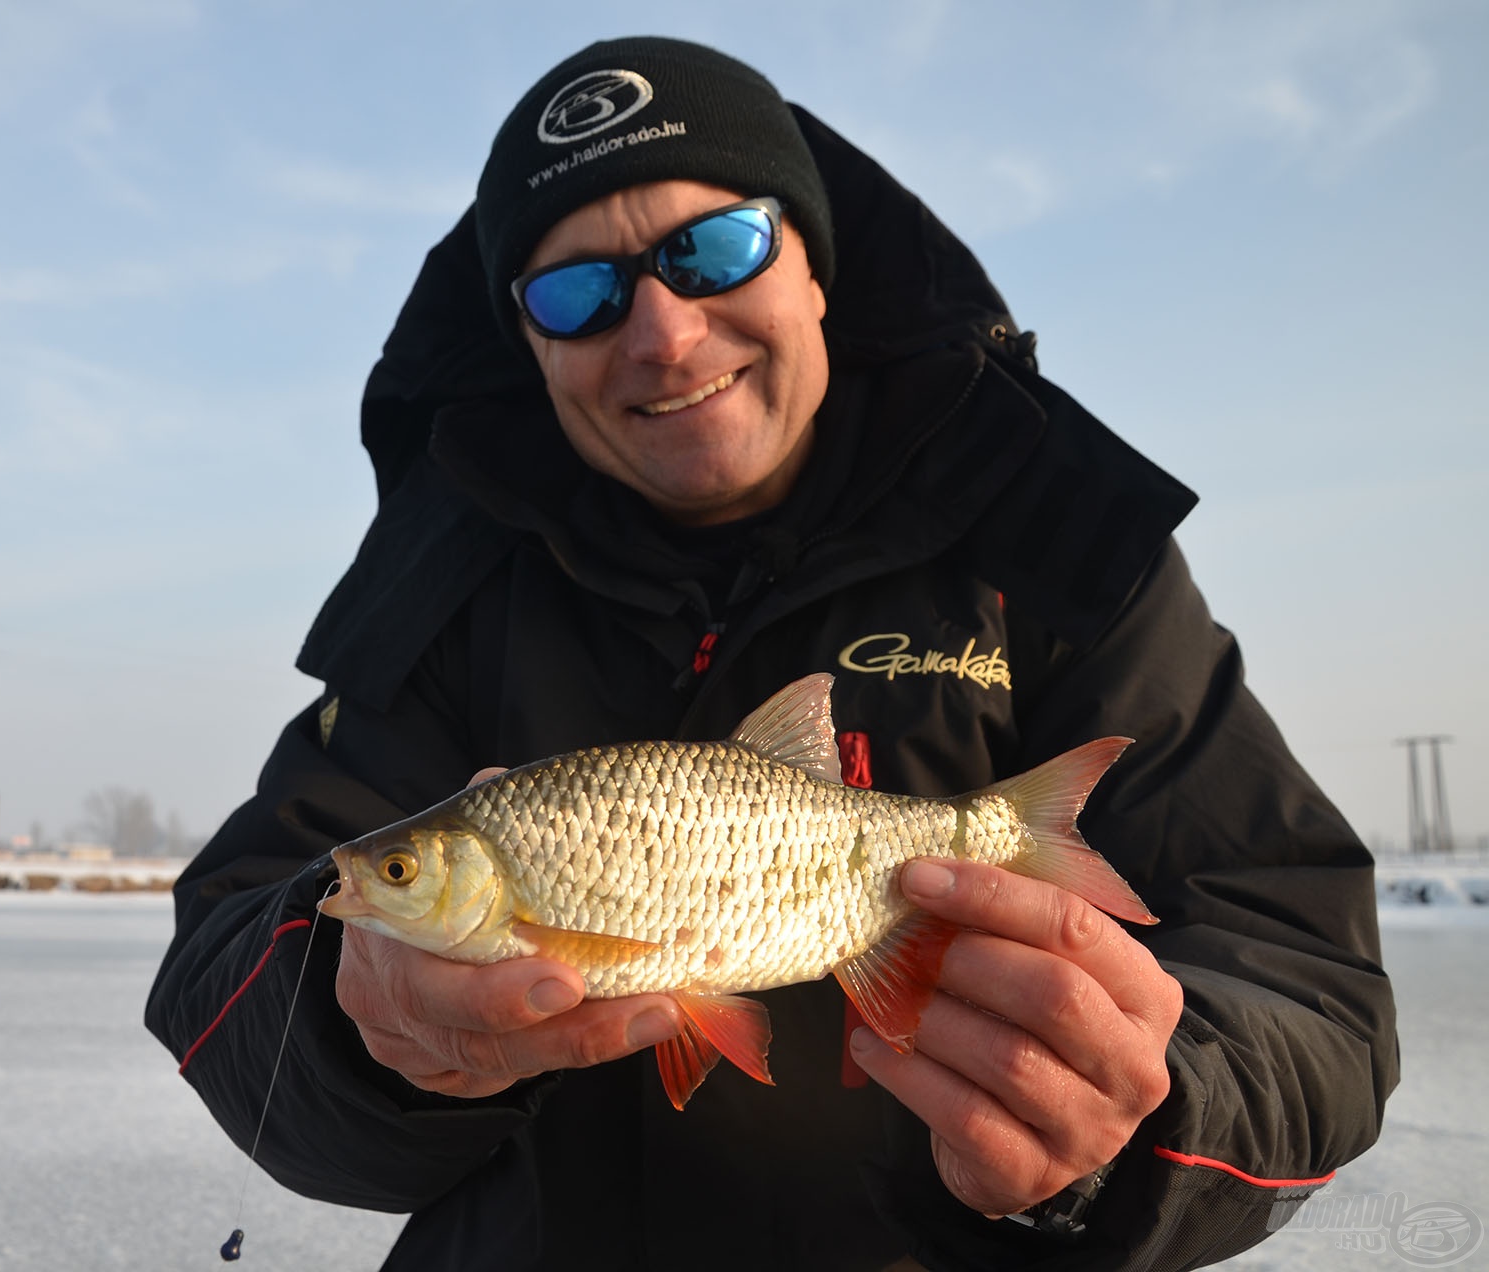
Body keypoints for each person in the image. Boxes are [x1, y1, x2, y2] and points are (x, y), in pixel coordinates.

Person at [148, 37, 1397, 1271]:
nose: (663, 335)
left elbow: (1307, 968)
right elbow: (227, 952)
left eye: (713, 249)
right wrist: (354, 1024)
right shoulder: (438, 586)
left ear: (813, 264)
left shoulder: (1052, 532)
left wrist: (1143, 1118)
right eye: (576, 294)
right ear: (528, 343)